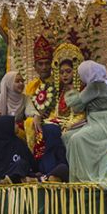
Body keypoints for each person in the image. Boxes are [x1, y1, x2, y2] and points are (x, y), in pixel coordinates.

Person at [63, 60, 107, 185]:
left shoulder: (96, 85)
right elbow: (79, 106)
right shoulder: (103, 83)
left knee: (76, 139)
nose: (80, 77)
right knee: (67, 136)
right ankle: (83, 170)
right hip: (98, 122)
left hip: (104, 124)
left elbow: (75, 103)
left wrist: (70, 90)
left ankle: (84, 177)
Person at [20, 36, 69, 175]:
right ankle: (35, 169)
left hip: (56, 119)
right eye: (40, 64)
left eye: (47, 63)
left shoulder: (60, 81)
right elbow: (28, 107)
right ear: (35, 66)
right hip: (36, 121)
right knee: (29, 125)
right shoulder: (31, 86)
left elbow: (64, 106)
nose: (44, 67)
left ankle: (50, 171)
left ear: (52, 64)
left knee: (49, 129)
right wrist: (36, 116)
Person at [0, 115, 37, 184]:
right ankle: (5, 180)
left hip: (16, 172)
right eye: (15, 123)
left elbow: (30, 161)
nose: (17, 125)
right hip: (0, 175)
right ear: (7, 126)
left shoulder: (18, 142)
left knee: (21, 163)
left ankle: (11, 179)